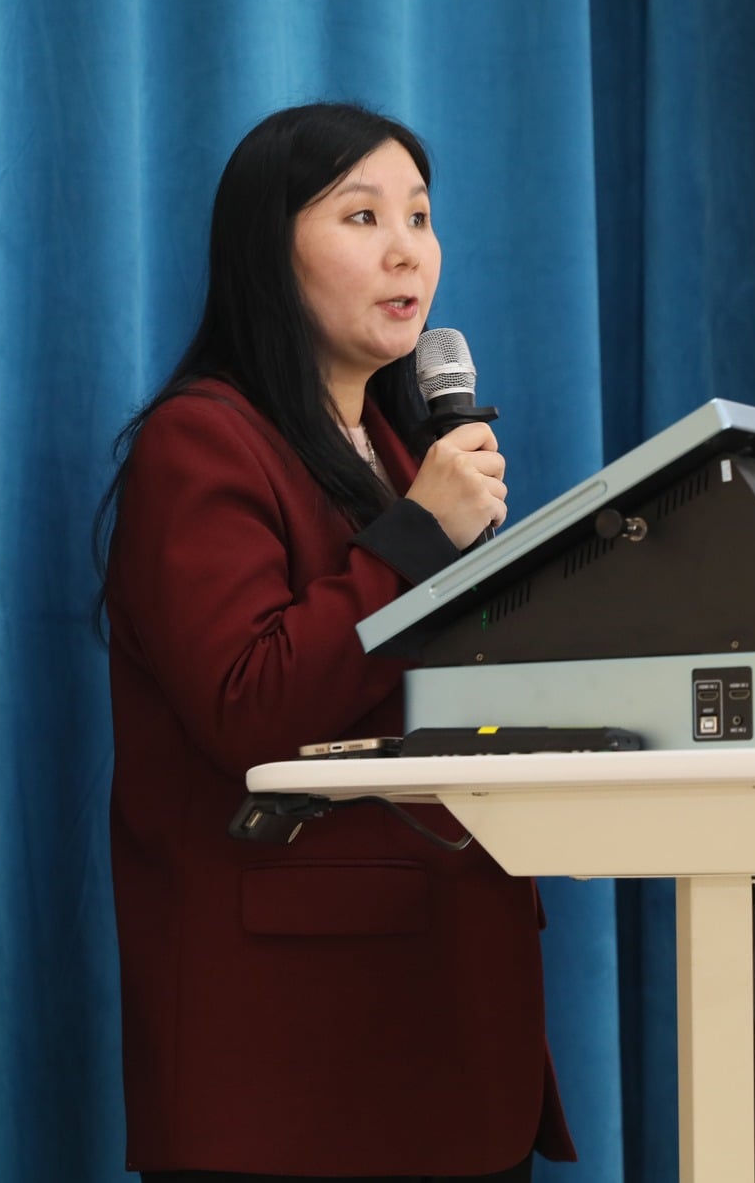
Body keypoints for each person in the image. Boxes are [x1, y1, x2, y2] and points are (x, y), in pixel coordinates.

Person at [94, 102, 576, 1181]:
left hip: (446, 1028)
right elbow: (249, 704)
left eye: (420, 216)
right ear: (268, 251)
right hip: (295, 1061)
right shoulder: (202, 441)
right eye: (362, 216)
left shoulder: (405, 454)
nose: (407, 250)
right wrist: (416, 538)